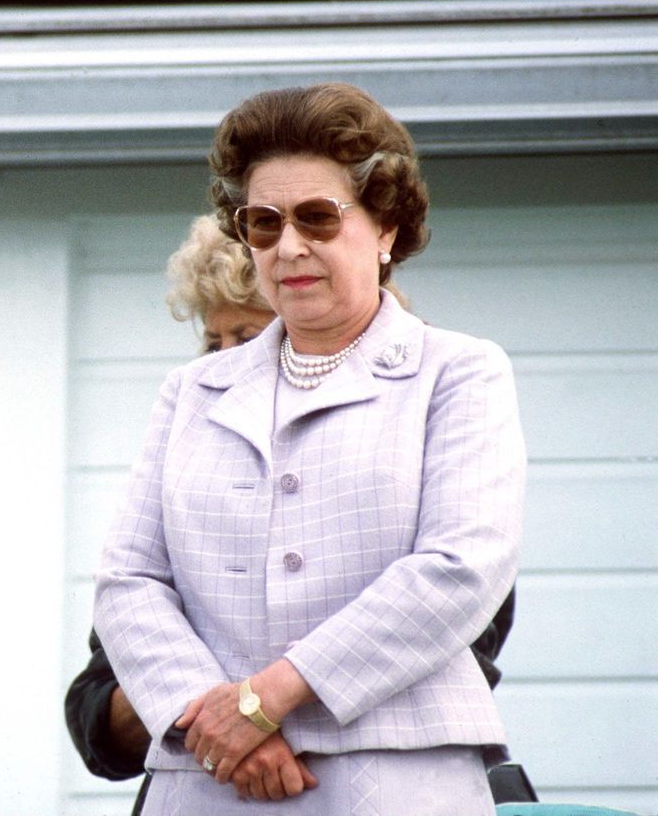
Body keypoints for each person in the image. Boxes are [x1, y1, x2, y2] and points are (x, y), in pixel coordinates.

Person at [94, 83, 525, 814]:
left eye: (318, 218)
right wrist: (215, 720)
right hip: (205, 784)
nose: (289, 246)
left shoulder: (459, 372)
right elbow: (127, 581)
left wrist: (266, 700)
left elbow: (459, 571)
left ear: (386, 225)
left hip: (398, 778)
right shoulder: (190, 391)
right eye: (263, 223)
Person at [66, 214, 275, 815]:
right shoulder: (181, 467)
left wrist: (266, 699)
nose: (227, 362)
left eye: (252, 336)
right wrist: (188, 701)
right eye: (215, 342)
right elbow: (94, 711)